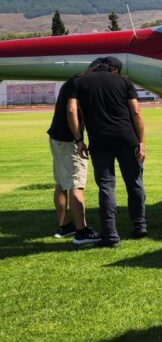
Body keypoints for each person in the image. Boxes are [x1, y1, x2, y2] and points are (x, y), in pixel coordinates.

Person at [67, 56, 147, 248]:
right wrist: (142, 141)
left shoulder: (78, 82)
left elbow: (71, 110)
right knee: (134, 183)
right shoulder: (125, 82)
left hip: (99, 141)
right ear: (115, 70)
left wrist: (79, 140)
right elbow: (136, 112)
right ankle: (140, 226)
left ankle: (110, 235)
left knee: (106, 187)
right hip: (127, 139)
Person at [47, 66, 100, 246]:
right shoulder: (80, 84)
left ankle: (63, 226)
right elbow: (71, 110)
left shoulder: (71, 82)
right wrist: (79, 140)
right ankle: (82, 232)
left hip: (56, 137)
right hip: (68, 140)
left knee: (61, 183)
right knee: (76, 185)